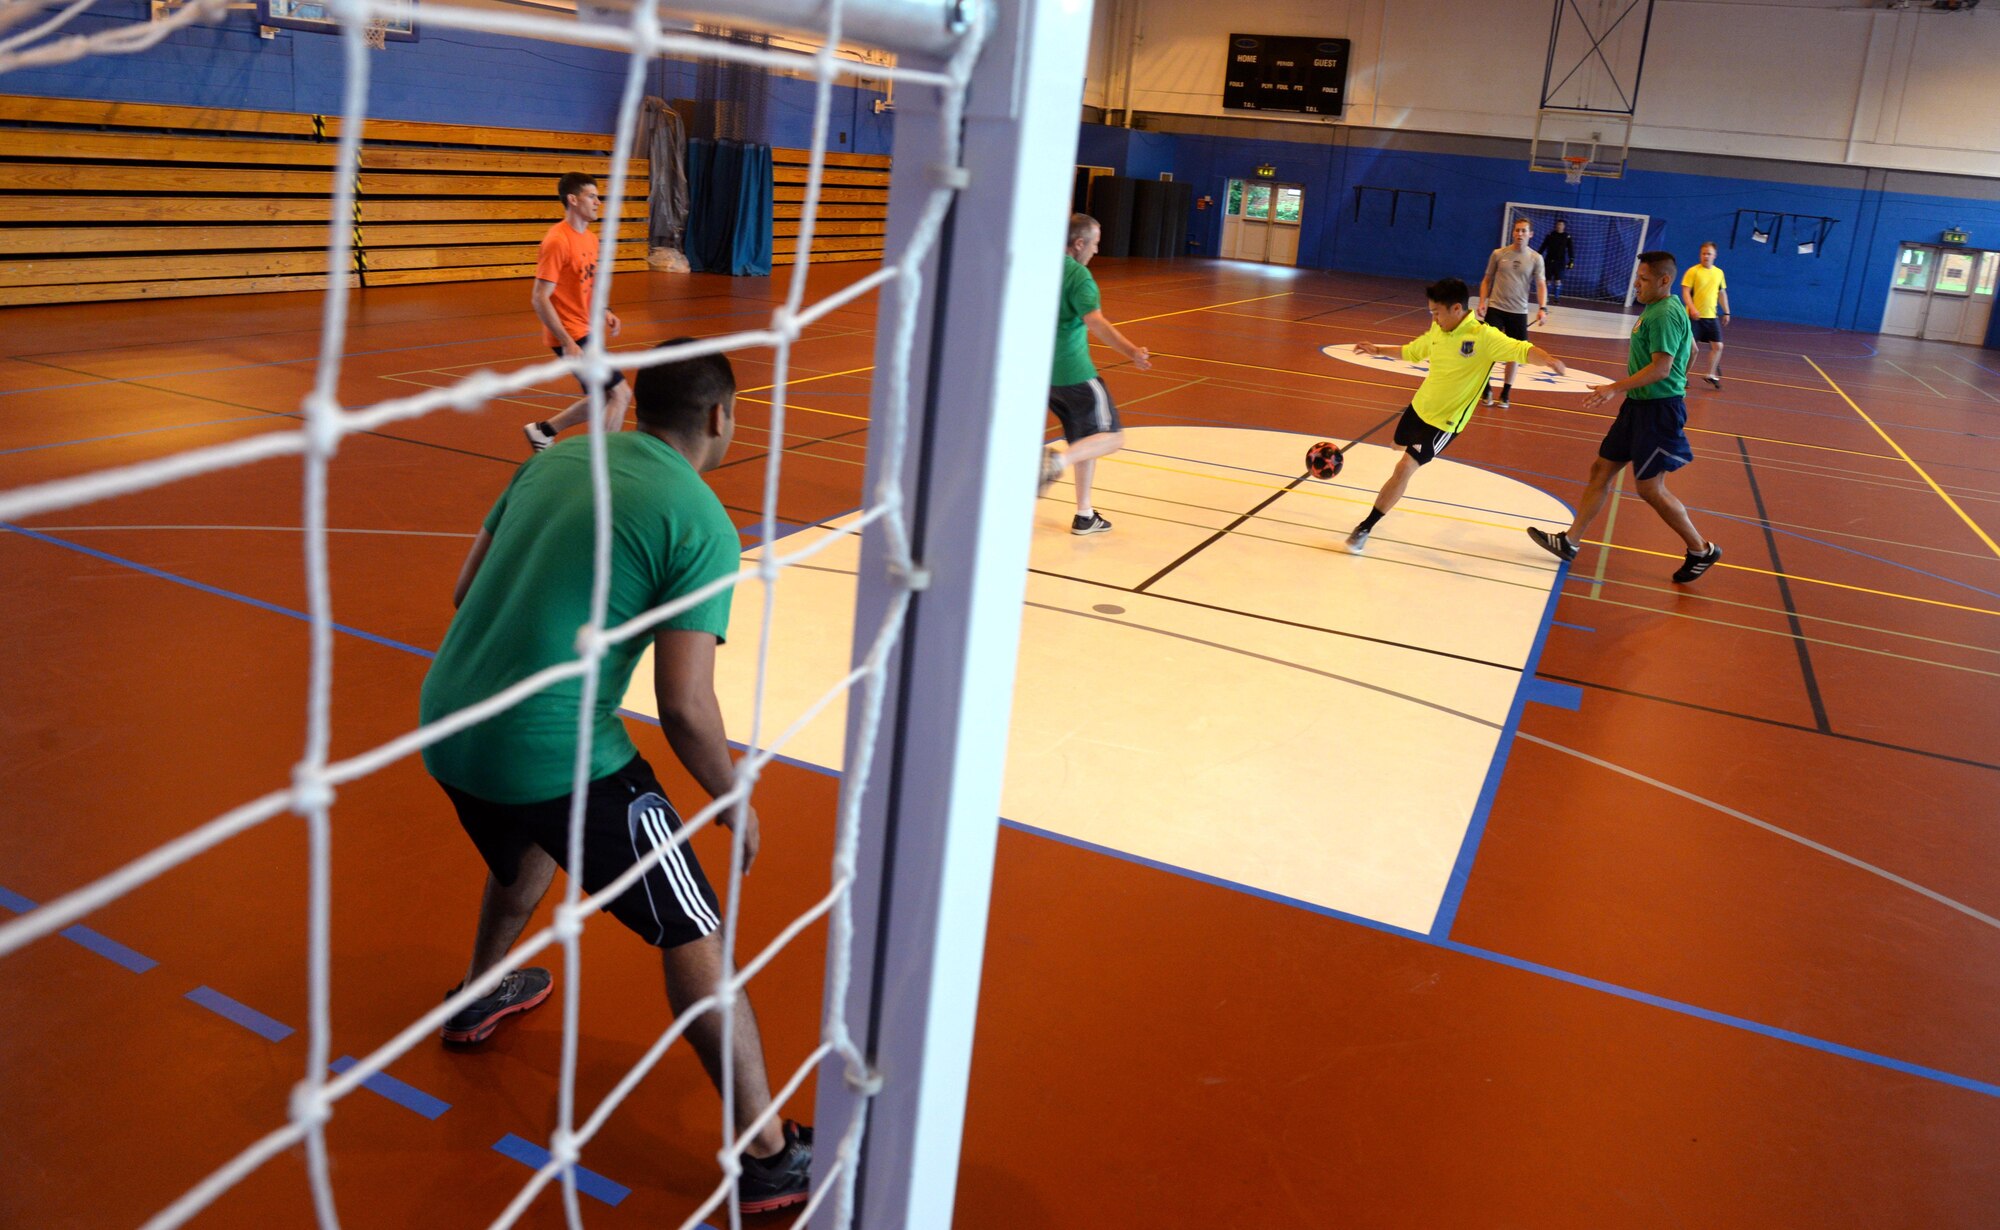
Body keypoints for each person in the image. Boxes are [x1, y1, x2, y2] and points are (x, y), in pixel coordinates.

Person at [421, 342, 813, 1213]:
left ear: (636, 402)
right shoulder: (701, 521)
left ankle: (478, 997)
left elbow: (463, 590)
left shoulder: (557, 456)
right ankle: (770, 1155)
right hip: (556, 754)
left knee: (520, 853)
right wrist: (732, 793)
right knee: (695, 932)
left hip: (447, 728)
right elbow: (685, 705)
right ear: (721, 417)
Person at [1527, 251, 1723, 583]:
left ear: (1664, 280)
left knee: (1650, 489)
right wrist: (1677, 379)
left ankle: (1701, 549)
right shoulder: (1668, 307)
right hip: (1638, 406)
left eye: (1644, 279)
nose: (1637, 284)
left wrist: (1615, 388)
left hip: (1658, 412)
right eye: (1637, 277)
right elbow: (1692, 351)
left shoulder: (1663, 315)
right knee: (1601, 469)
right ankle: (1570, 542)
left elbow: (1661, 367)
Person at [1344, 277, 1566, 552]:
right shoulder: (1438, 330)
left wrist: (1548, 359)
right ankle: (1398, 467)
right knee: (1398, 445)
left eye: (1436, 313)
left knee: (1404, 467)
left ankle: (1365, 527)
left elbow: (1522, 349)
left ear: (1457, 309)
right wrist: (1377, 349)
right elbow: (1412, 351)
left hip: (1445, 422)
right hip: (1419, 407)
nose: (1434, 319)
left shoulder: (1484, 337)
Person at [1037, 213, 1152, 536]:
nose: (1097, 251)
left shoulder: (1040, 265)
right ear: (1079, 243)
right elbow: (1097, 323)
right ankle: (1054, 464)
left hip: (1042, 374)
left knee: (1085, 440)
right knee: (1113, 437)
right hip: (1073, 373)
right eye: (1095, 243)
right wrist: (1132, 352)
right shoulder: (1079, 277)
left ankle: (1084, 514)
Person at [522, 172, 635, 453]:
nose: (598, 202)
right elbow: (540, 298)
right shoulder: (557, 241)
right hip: (571, 333)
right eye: (592, 196)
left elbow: (590, 284)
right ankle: (603, 463)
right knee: (620, 394)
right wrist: (568, 341)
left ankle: (543, 431)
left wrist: (606, 310)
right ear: (573, 200)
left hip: (587, 330)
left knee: (601, 398)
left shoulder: (591, 240)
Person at [1477, 217, 1548, 409]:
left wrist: (1543, 307)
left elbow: (1541, 284)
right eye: (1517, 230)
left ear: (1530, 234)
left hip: (1518, 312)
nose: (1520, 234)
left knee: (1515, 353)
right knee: (1486, 350)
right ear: (1513, 233)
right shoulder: (1499, 254)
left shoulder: (1535, 258)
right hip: (1496, 309)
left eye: (1524, 231)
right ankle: (1486, 388)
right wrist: (1482, 301)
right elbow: (1486, 280)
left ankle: (1506, 392)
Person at [1681, 242, 1730, 389]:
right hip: (1693, 317)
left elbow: (1721, 293)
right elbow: (1685, 292)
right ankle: (1682, 377)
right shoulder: (1693, 271)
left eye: (1709, 253)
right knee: (1692, 350)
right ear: (1700, 255)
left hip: (1711, 317)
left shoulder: (1719, 273)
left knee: (1718, 346)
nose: (1706, 256)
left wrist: (1726, 311)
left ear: (1714, 255)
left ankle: (1710, 374)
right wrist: (1692, 308)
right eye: (1703, 253)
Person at [1539, 219, 1576, 303]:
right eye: (1558, 224)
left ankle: (1556, 298)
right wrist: (1538, 255)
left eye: (1561, 225)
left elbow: (1570, 249)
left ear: (1564, 226)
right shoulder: (1550, 235)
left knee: (1558, 280)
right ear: (1556, 225)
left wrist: (1571, 260)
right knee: (1547, 280)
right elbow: (1543, 246)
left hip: (1560, 261)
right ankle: (1546, 297)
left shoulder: (1567, 236)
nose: (1559, 226)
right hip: (1549, 260)